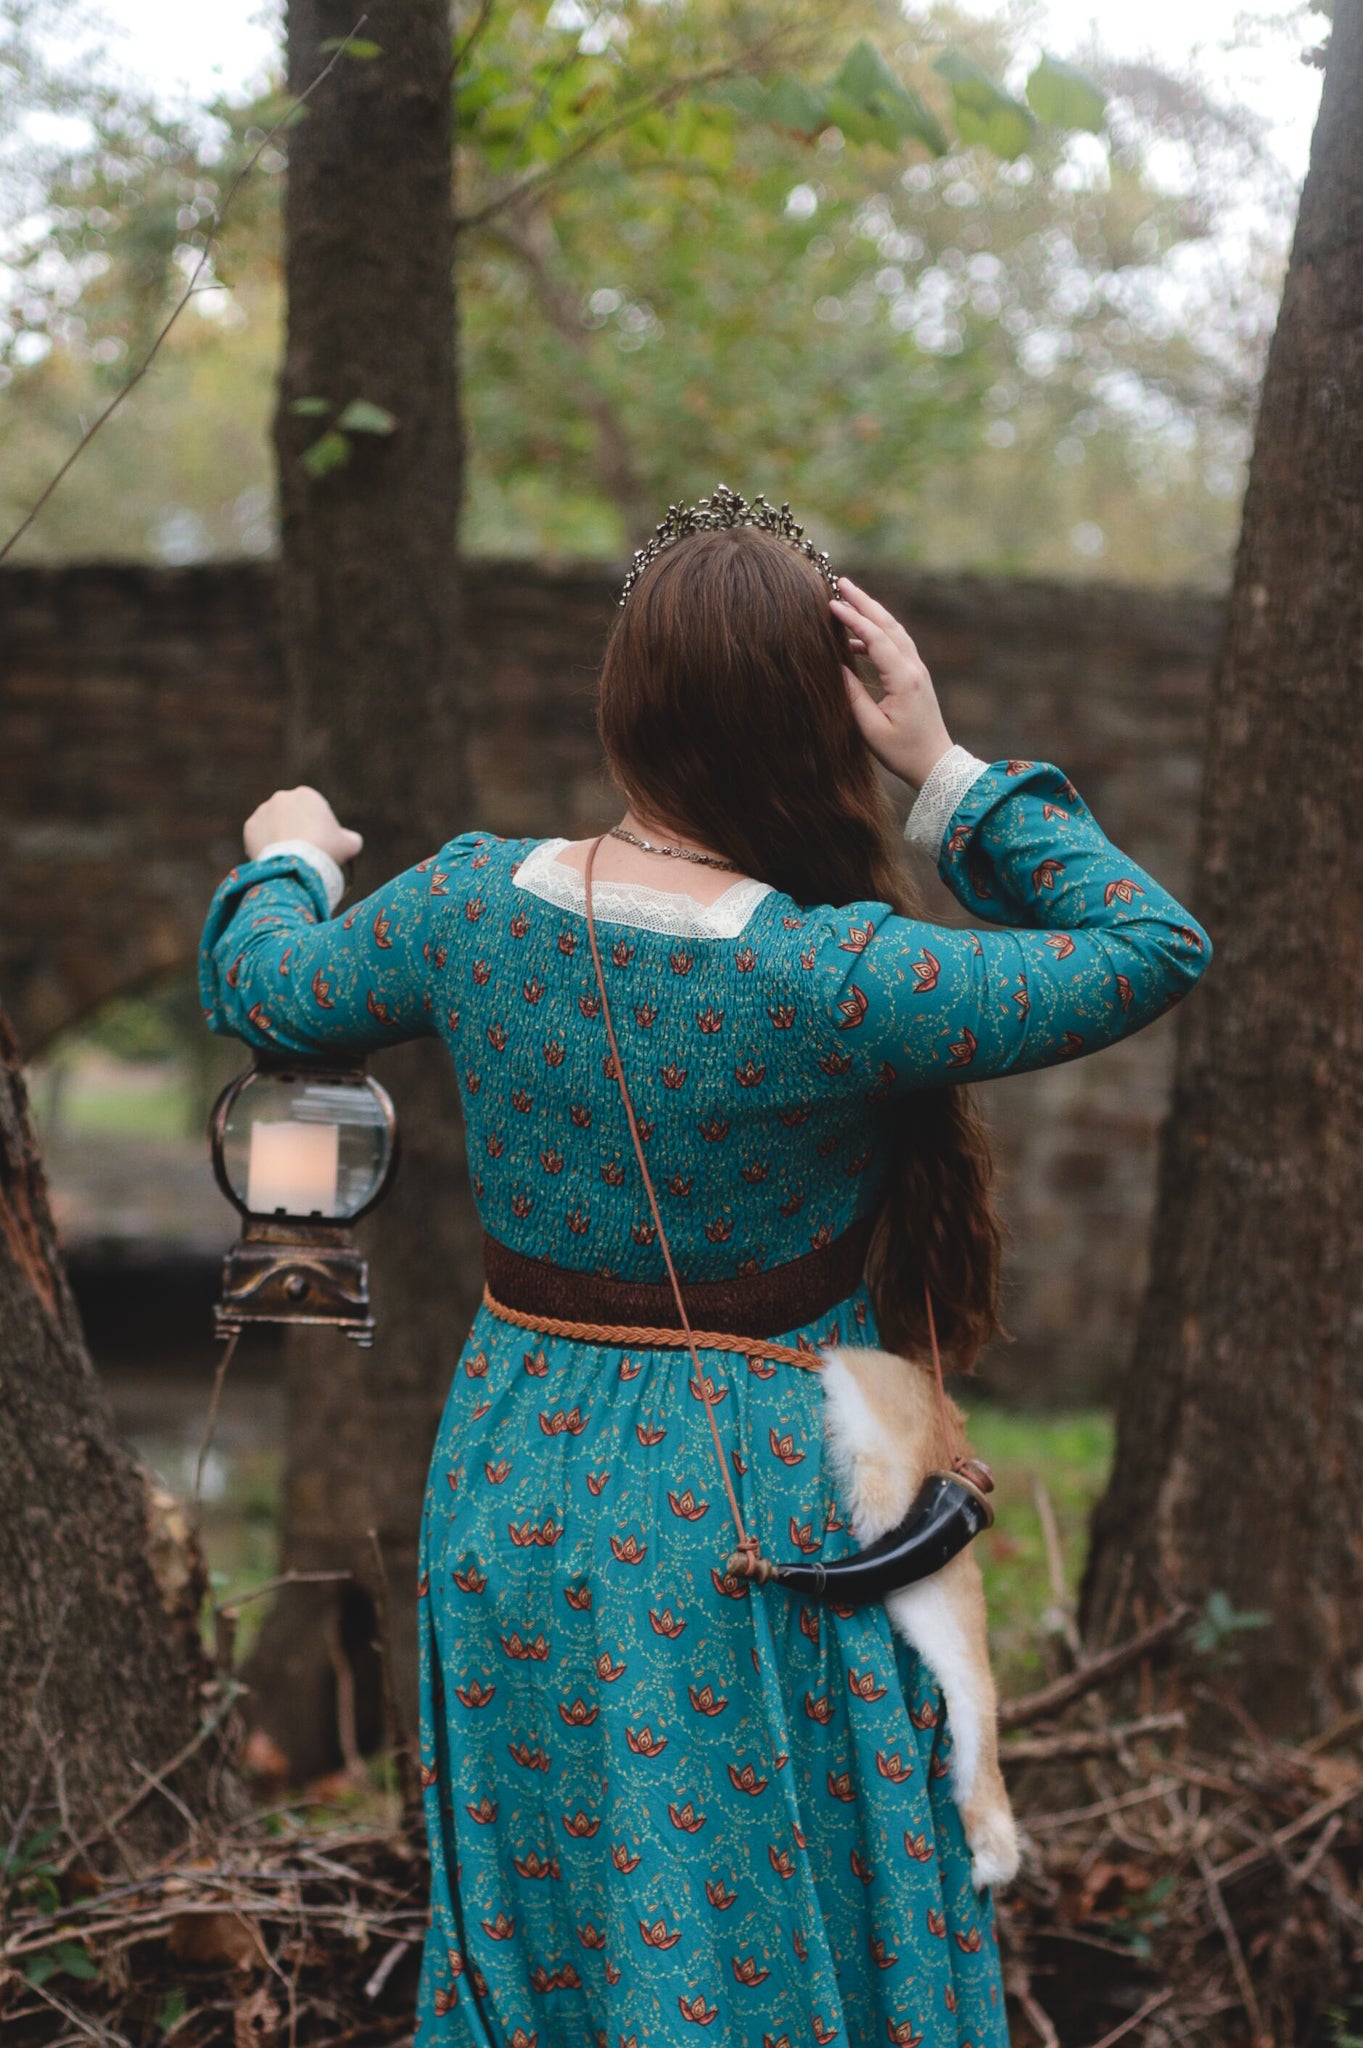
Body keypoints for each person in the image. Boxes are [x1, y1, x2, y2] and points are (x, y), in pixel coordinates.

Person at [199, 508, 1212, 2048]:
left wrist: (285, 860)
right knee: (768, 1885)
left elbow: (266, 987)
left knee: (565, 1909)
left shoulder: (467, 910)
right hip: (767, 1501)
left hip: (515, 1480)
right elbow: (1147, 942)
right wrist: (939, 765)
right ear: (820, 728)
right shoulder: (840, 974)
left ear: (624, 702)